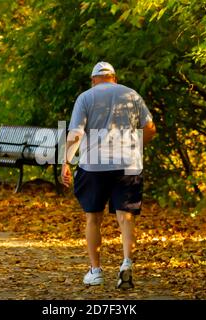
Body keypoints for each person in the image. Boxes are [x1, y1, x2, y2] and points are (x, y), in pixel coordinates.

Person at [61, 61, 156, 289]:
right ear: (115, 77)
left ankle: (96, 271)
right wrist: (136, 147)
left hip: (93, 166)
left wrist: (65, 161)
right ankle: (126, 264)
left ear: (94, 80)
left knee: (93, 218)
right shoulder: (131, 94)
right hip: (128, 165)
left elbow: (75, 133)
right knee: (126, 217)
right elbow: (150, 128)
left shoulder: (85, 97)